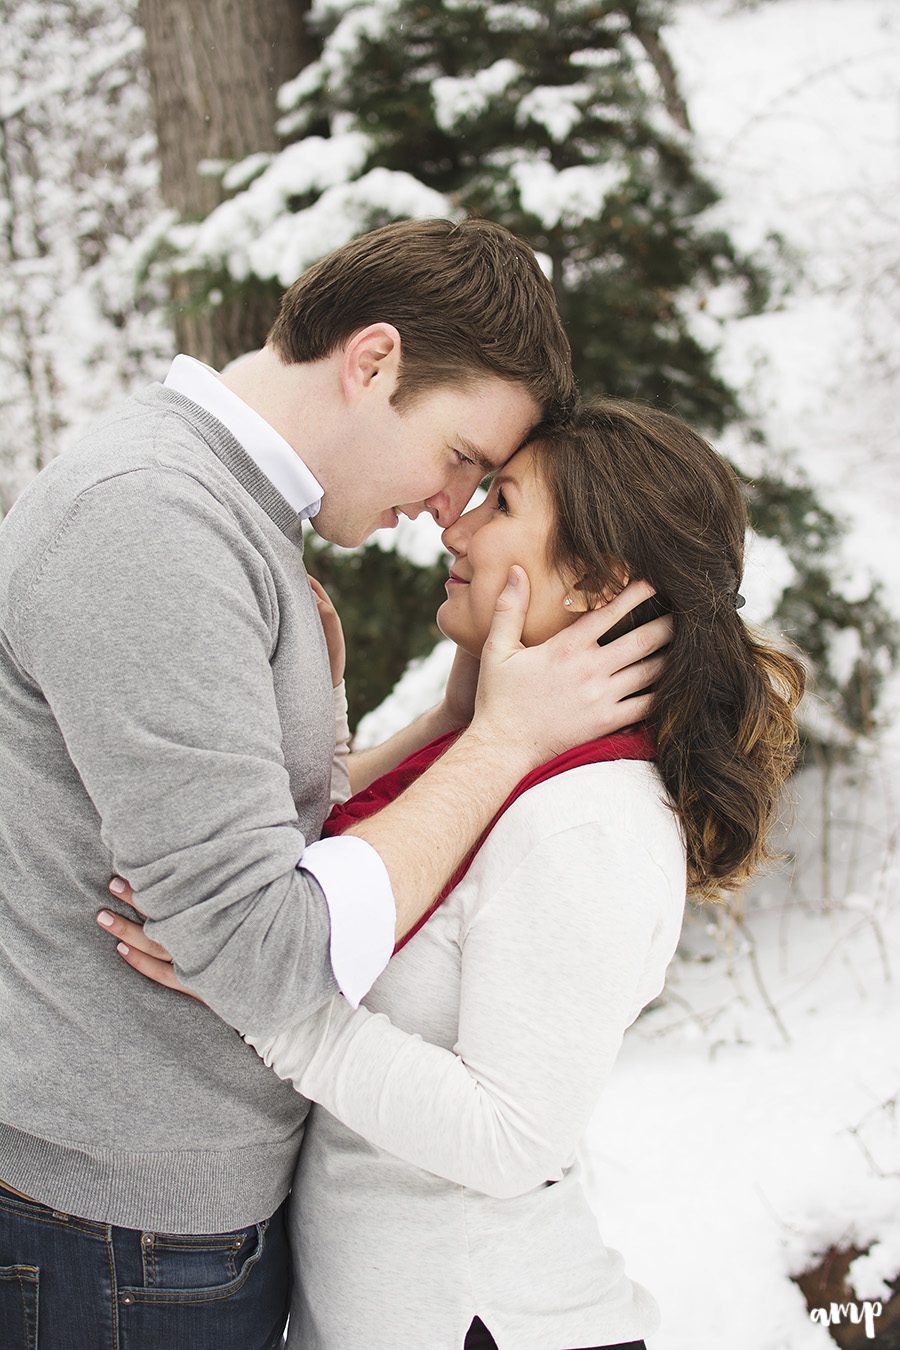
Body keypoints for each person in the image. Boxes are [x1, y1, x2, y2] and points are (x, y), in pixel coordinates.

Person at [0, 219, 668, 1350]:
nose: (450, 508)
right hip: (116, 1224)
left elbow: (266, 833)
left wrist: (445, 724)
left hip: (167, 1216)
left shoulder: (230, 521)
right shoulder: (154, 520)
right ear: (373, 362)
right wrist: (495, 743)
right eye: (465, 459)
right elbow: (263, 953)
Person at [101, 399, 806, 1349]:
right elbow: (341, 876)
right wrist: (412, 730)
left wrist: (266, 996)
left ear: (597, 582)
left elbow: (512, 1138)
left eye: (503, 501)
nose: (457, 522)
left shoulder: (590, 821)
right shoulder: (504, 765)